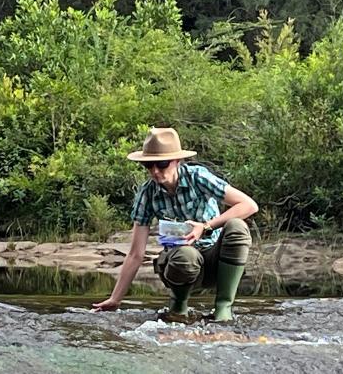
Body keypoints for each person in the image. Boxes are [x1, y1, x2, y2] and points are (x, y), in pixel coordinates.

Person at [93, 127, 257, 321]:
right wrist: (115, 299)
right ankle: (178, 306)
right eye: (149, 165)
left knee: (237, 228)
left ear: (177, 161)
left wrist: (205, 226)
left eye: (162, 164)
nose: (155, 171)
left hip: (216, 261)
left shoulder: (198, 177)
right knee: (186, 254)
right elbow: (136, 253)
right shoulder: (147, 194)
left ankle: (223, 308)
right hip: (180, 265)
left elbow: (249, 205)